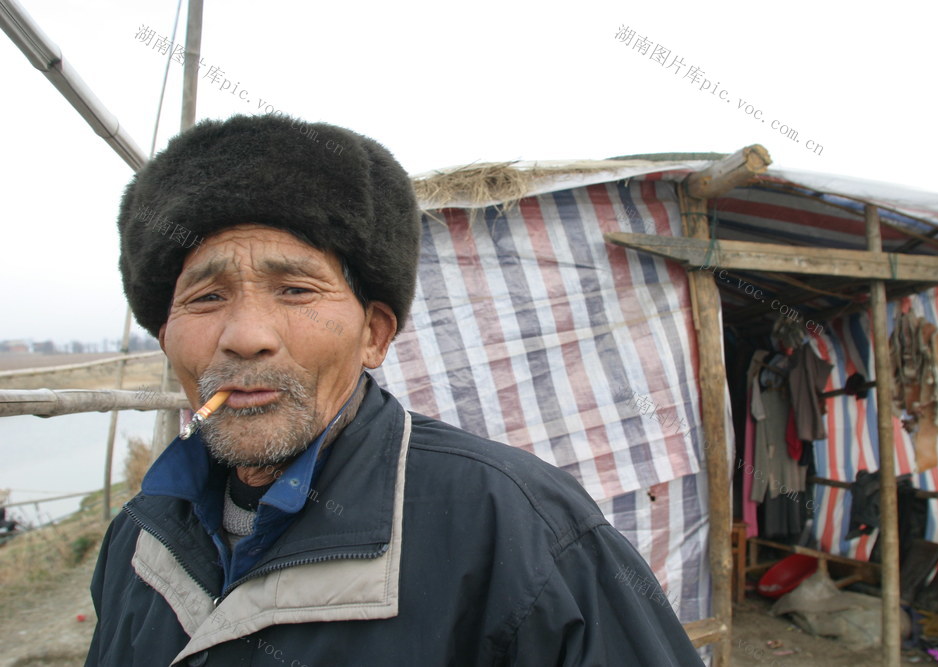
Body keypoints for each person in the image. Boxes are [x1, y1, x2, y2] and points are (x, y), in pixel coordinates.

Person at [86, 114, 701, 666]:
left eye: (296, 290)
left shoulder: (519, 528)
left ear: (374, 335)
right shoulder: (139, 537)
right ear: (166, 336)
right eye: (207, 296)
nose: (246, 337)